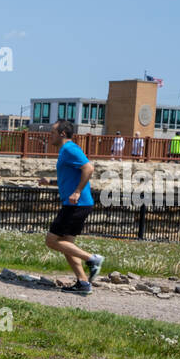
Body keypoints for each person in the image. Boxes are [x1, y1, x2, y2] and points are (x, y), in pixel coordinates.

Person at [44, 119, 102, 295]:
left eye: (53, 132)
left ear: (62, 133)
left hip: (76, 204)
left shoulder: (70, 148)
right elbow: (71, 176)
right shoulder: (65, 151)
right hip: (77, 204)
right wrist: (51, 182)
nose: (50, 135)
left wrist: (77, 192)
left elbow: (88, 168)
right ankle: (83, 283)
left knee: (52, 240)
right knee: (66, 245)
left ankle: (92, 259)